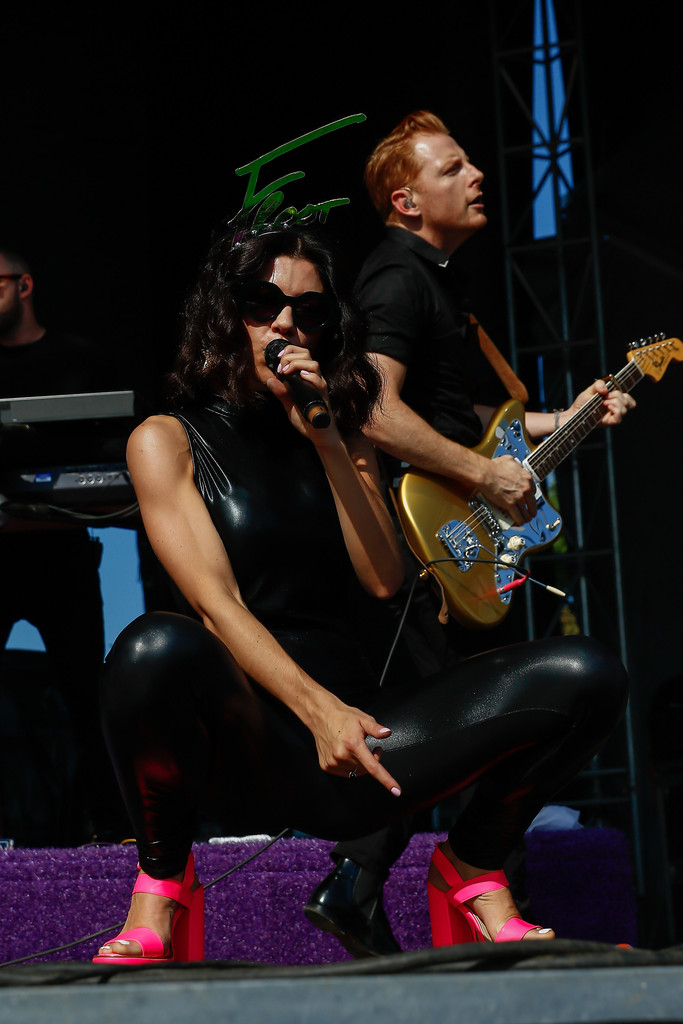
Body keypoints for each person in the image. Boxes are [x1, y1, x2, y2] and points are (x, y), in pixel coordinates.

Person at [92, 224, 628, 965]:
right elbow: (219, 606)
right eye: (261, 303)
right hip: (257, 734)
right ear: (225, 313)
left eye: (308, 312)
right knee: (153, 646)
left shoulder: (340, 434)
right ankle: (161, 881)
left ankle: (474, 862)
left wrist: (328, 440)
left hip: (364, 740)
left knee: (588, 673)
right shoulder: (167, 440)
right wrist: (318, 712)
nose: (285, 324)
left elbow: (381, 577)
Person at [304, 111, 636, 957]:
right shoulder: (396, 280)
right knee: (461, 719)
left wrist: (574, 415)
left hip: (462, 531)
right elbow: (373, 410)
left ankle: (380, 886)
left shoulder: (439, 282)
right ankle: (419, 877)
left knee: (479, 718)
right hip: (428, 533)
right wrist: (487, 477)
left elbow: (478, 422)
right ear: (405, 200)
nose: (477, 176)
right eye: (453, 169)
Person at [0, 246, 126, 843]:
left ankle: (115, 834)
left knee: (88, 699)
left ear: (24, 285)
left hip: (63, 561)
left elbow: (117, 457)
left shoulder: (80, 362)